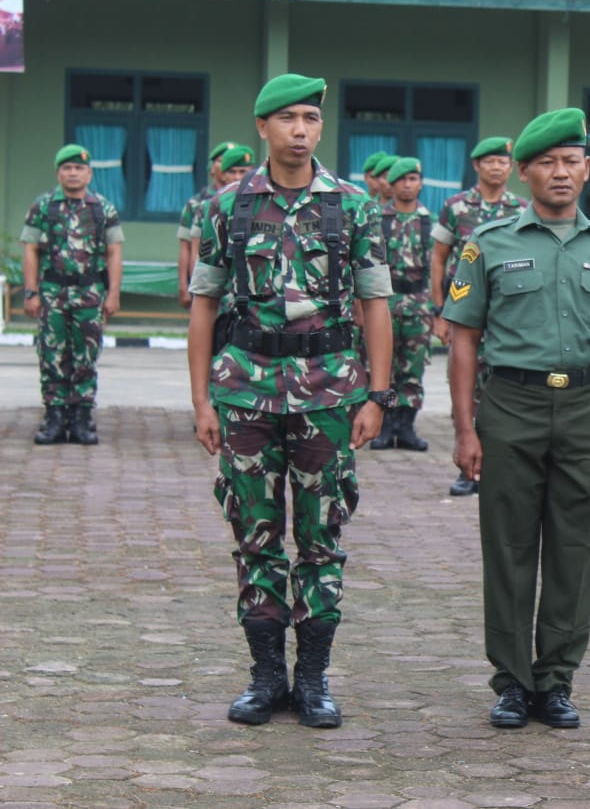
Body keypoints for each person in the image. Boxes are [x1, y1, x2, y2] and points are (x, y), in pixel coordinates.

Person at [187, 73, 393, 729]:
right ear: (262, 127)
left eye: (310, 118)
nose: (300, 130)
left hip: (328, 394)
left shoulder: (354, 206)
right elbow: (204, 306)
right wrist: (202, 402)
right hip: (245, 390)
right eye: (287, 119)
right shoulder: (225, 208)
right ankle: (266, 675)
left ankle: (313, 679)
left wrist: (377, 395)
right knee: (256, 536)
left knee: (322, 536)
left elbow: (375, 304)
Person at [443, 107, 590, 731]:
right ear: (525, 171)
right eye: (548, 163)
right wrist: (464, 427)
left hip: (588, 408)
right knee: (507, 547)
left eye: (572, 161)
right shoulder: (489, 246)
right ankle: (511, 680)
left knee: (574, 547)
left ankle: (555, 678)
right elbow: (463, 341)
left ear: (586, 170)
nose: (561, 173)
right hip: (511, 405)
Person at [431, 136, 528, 496]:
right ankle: (467, 465)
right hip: (466, 312)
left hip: (507, 315)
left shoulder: (521, 208)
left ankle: (502, 466)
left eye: (503, 162)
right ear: (476, 166)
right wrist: (439, 311)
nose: (497, 167)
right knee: (464, 386)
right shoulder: (456, 207)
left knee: (505, 390)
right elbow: (439, 259)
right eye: (489, 161)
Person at [21, 143, 124, 445]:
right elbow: (30, 250)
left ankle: (82, 418)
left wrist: (114, 293)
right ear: (58, 173)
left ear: (89, 173)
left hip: (90, 293)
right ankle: (54, 417)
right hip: (52, 291)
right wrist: (30, 292)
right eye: (67, 168)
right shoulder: (43, 206)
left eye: (79, 168)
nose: (73, 173)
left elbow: (114, 252)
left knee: (86, 354)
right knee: (51, 354)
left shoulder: (103, 209)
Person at [370, 156, 433, 452]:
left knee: (413, 368)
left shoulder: (428, 222)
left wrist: (438, 310)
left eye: (413, 179)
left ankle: (406, 426)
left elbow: (437, 268)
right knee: (385, 368)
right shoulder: (378, 219)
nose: (408, 185)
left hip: (418, 303)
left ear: (420, 184)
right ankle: (385, 425)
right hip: (385, 302)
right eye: (401, 180)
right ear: (391, 186)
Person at [178, 140, 237, 309]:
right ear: (212, 168)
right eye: (221, 159)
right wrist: (184, 284)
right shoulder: (197, 204)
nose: (227, 162)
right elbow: (186, 248)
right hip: (206, 282)